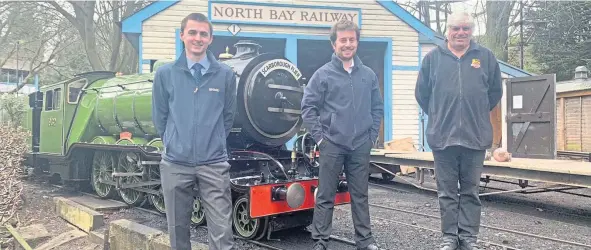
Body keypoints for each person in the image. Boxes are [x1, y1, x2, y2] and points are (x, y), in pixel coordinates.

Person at [414, 12, 503, 250]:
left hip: (475, 137)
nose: (460, 33)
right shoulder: (432, 59)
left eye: (465, 28)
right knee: (447, 192)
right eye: (456, 28)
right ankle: (449, 238)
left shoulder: (485, 57)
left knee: (471, 192)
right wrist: (441, 115)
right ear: (447, 31)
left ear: (471, 31)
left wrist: (475, 112)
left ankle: (468, 238)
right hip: (443, 138)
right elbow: (422, 95)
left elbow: (495, 93)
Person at [152, 12, 237, 250]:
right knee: (178, 233)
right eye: (192, 32)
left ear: (210, 39)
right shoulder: (165, 74)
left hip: (214, 164)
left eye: (203, 34)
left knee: (222, 233)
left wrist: (215, 140)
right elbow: (160, 117)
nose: (197, 38)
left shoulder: (225, 75)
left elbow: (228, 117)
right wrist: (173, 141)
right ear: (182, 36)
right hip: (176, 163)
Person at [301, 19, 384, 250]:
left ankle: (365, 241)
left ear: (357, 42)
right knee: (325, 196)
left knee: (360, 196)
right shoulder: (322, 75)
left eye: (352, 40)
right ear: (333, 44)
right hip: (332, 145)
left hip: (360, 146)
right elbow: (308, 108)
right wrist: (321, 139)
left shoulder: (368, 75)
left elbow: (377, 107)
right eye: (343, 40)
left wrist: (371, 136)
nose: (347, 44)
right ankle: (320, 241)